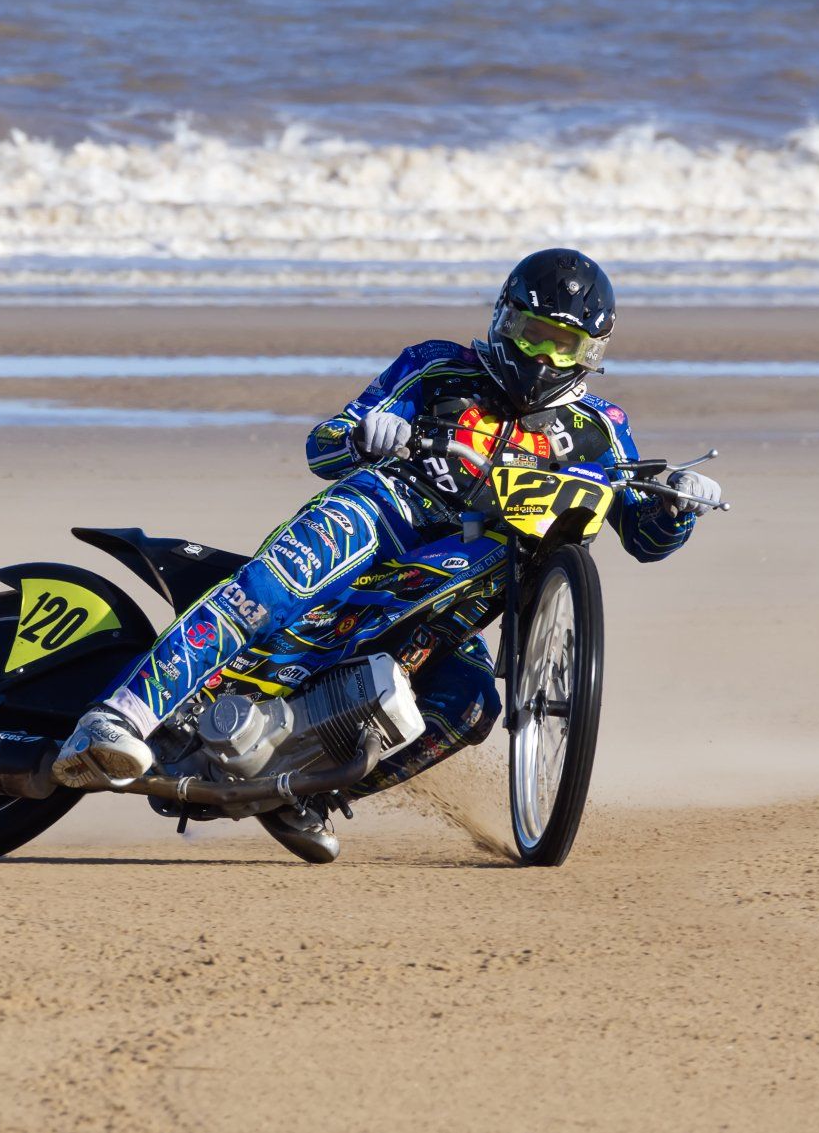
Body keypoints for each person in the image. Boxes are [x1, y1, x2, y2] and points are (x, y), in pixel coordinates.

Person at [51, 248, 724, 861]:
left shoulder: (603, 429)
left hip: (461, 593)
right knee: (273, 587)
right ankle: (115, 718)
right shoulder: (437, 366)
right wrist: (369, 435)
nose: (542, 356)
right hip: (382, 515)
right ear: (502, 319)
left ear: (593, 349)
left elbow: (645, 535)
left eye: (562, 342)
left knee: (469, 704)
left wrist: (676, 504)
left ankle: (298, 791)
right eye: (529, 333)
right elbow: (326, 445)